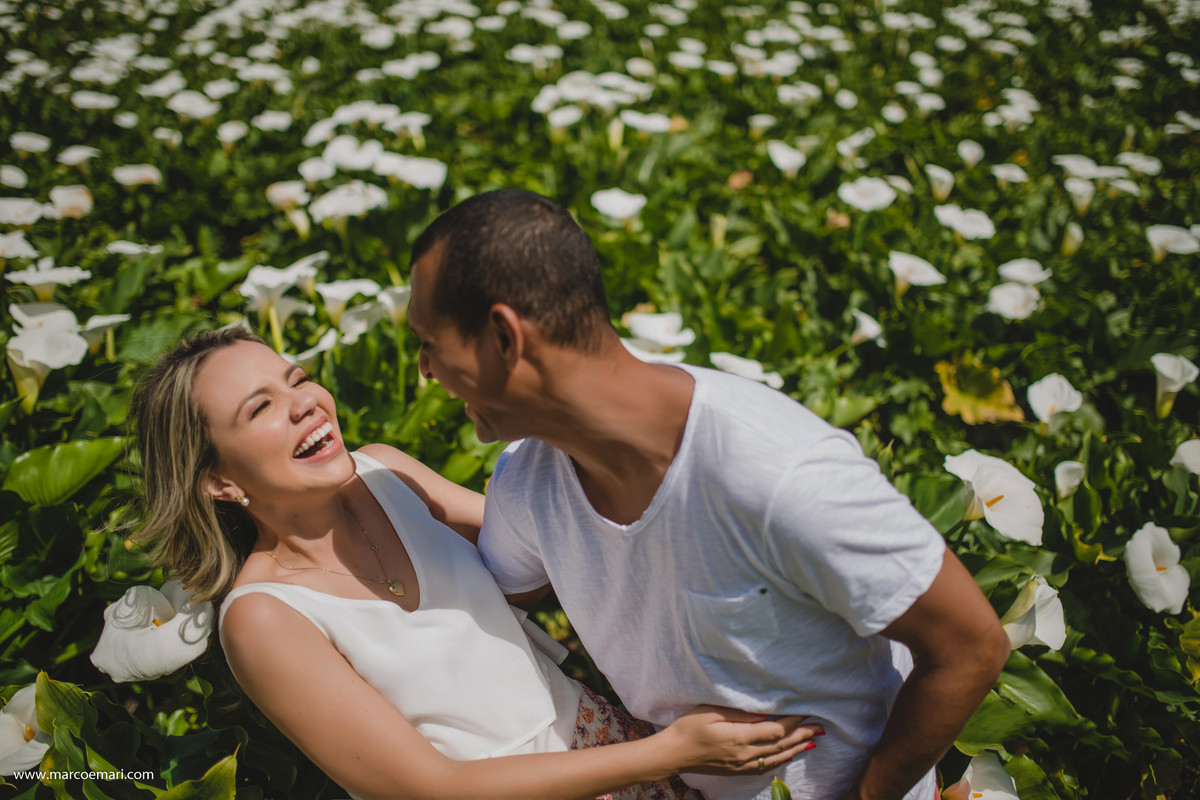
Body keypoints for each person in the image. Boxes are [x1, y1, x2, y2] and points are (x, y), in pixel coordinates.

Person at [404, 189, 1013, 800]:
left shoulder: (779, 474)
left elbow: (971, 647)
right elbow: (489, 594)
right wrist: (385, 486)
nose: (425, 369)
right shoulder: (529, 480)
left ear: (504, 337)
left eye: (431, 342)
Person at [128, 327, 819, 800]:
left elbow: (556, 549)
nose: (306, 402)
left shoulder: (387, 474)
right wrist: (675, 751)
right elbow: (429, 789)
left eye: (298, 378)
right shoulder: (263, 619)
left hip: (616, 748)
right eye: (262, 408)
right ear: (217, 481)